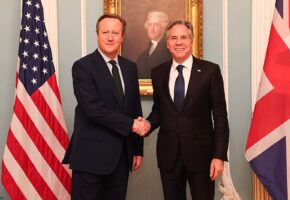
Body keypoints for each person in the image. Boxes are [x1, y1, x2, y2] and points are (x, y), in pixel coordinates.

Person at [62, 14, 148, 200]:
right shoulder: (82, 66)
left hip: (121, 158)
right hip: (90, 158)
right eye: (105, 32)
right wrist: (132, 124)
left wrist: (137, 149)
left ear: (122, 37)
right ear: (97, 34)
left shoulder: (129, 67)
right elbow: (93, 109)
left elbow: (135, 109)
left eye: (115, 33)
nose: (110, 37)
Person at [142, 19, 230, 200]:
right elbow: (159, 111)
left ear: (191, 41)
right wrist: (148, 124)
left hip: (202, 157)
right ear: (167, 43)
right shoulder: (158, 73)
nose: (179, 42)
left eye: (183, 37)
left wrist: (219, 156)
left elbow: (220, 116)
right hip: (169, 156)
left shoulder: (210, 71)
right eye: (173, 38)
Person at [137, 11, 172, 79]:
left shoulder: (170, 51)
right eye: (150, 24)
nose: (152, 29)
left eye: (156, 25)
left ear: (164, 27)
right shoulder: (142, 57)